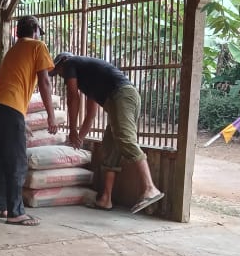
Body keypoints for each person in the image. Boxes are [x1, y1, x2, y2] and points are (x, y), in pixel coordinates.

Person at [50, 53, 164, 214]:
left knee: (126, 139)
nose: (61, 76)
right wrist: (79, 138)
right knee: (110, 148)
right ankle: (106, 199)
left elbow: (72, 98)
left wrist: (73, 130)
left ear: (63, 62)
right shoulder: (89, 78)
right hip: (118, 100)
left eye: (58, 71)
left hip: (122, 96)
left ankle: (150, 188)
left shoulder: (71, 63)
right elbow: (90, 113)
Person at [0, 16, 58, 226]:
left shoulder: (12, 50)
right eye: (38, 32)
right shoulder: (38, 46)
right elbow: (44, 81)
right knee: (16, 160)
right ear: (35, 30)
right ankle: (16, 212)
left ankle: (4, 206)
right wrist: (51, 115)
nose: (39, 36)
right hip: (11, 106)